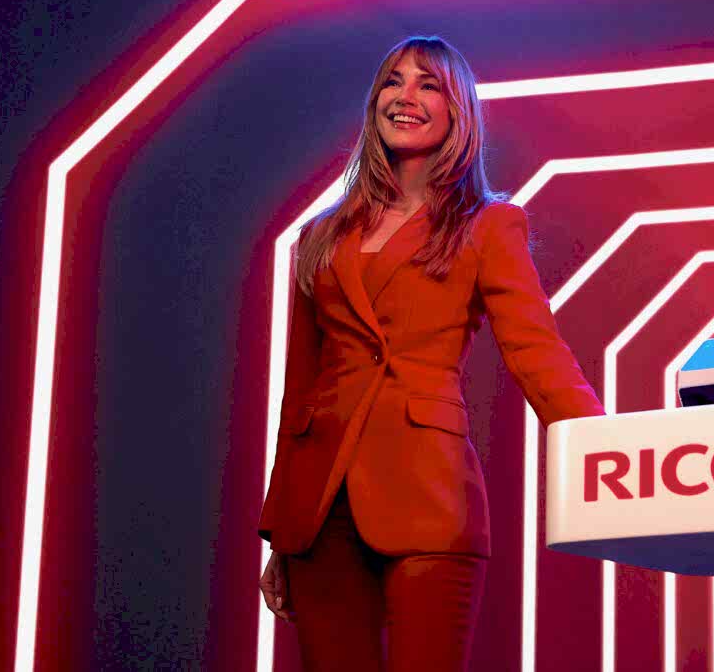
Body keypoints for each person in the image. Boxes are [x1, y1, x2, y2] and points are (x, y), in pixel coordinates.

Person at [257, 35, 606, 671]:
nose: (406, 96)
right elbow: (299, 384)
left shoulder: (487, 223)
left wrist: (604, 449)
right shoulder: (319, 234)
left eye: (428, 84)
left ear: (458, 111)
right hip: (318, 507)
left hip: (429, 489)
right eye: (393, 81)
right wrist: (283, 526)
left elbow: (535, 349)